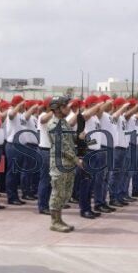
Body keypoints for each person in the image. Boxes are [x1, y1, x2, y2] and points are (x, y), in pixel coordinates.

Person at [47, 96, 81, 233]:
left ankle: (59, 219)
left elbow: (70, 139)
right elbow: (63, 147)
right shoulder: (54, 125)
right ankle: (55, 222)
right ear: (58, 108)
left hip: (68, 163)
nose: (68, 108)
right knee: (58, 192)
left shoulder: (64, 123)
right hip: (60, 163)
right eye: (66, 105)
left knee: (66, 192)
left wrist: (79, 137)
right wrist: (76, 160)